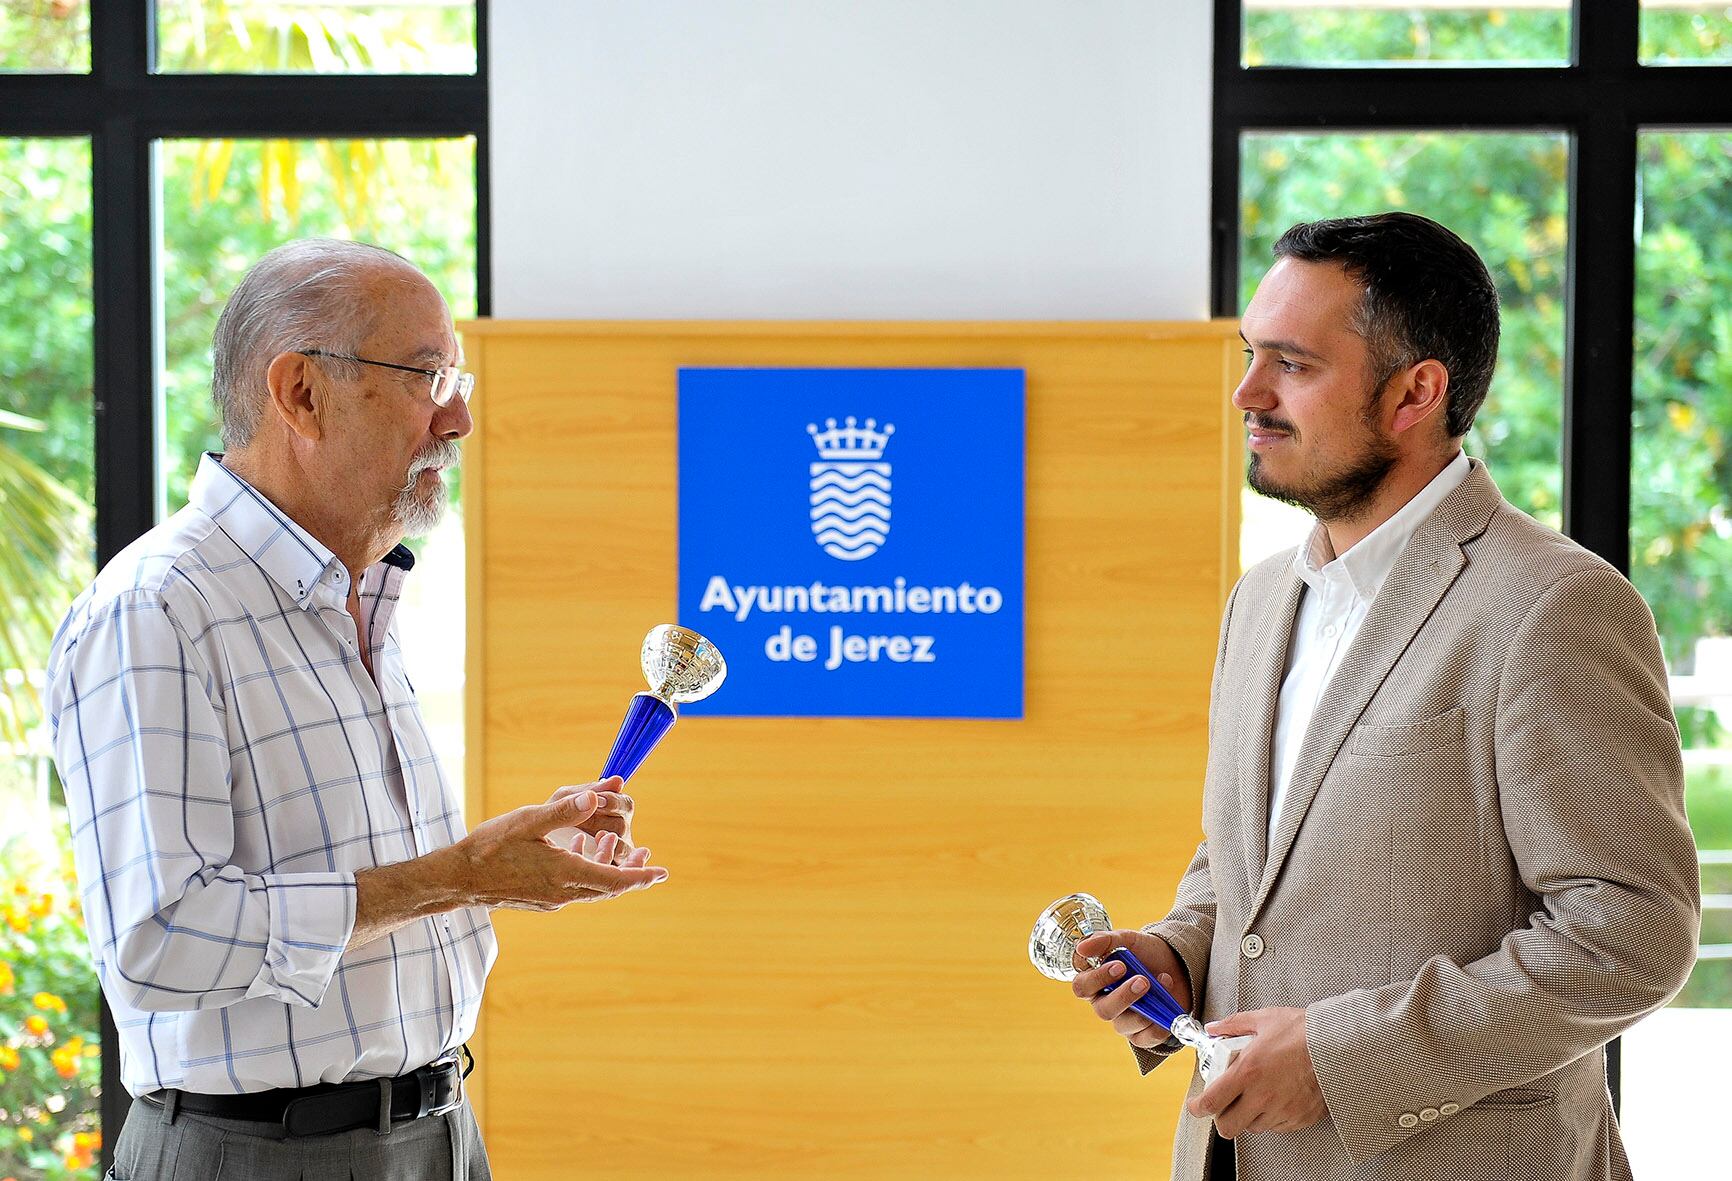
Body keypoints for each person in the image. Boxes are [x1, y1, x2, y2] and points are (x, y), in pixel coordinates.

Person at [1068, 213, 1700, 1181]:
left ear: (1415, 392)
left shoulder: (1556, 607)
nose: (1247, 392)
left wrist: (1339, 1058)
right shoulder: (1263, 597)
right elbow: (1253, 860)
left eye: (1292, 363)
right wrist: (1180, 951)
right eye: (1249, 354)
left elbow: (1630, 933)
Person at [45, 239, 667, 1180]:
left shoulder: (364, 595)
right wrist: (460, 874)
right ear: (301, 393)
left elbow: (364, 874)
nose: (457, 418)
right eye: (428, 376)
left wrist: (501, 867)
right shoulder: (159, 608)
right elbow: (159, 939)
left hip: (441, 1134)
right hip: (259, 1153)